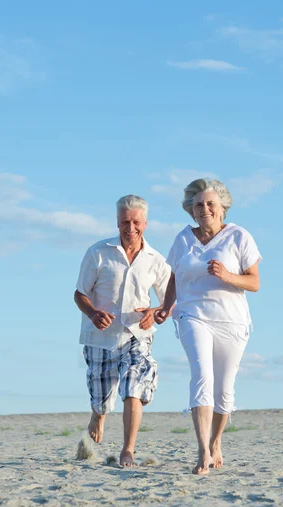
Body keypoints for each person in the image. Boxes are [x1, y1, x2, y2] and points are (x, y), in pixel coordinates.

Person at [155, 178, 262, 475]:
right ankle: (202, 450)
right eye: (199, 204)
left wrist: (228, 276)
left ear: (222, 207)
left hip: (232, 320)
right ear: (191, 209)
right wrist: (166, 306)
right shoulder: (182, 239)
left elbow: (254, 282)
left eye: (210, 204)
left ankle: (216, 442)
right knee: (202, 376)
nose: (205, 209)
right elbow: (175, 276)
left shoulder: (239, 237)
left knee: (224, 390)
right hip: (193, 316)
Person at [74, 195, 170, 466]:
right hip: (100, 338)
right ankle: (99, 414)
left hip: (137, 335)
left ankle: (128, 450)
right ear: (117, 222)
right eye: (125, 222)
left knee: (133, 388)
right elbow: (80, 293)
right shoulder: (98, 252)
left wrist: (155, 312)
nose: (131, 228)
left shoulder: (155, 260)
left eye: (136, 222)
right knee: (102, 398)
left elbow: (170, 300)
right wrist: (93, 313)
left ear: (145, 223)